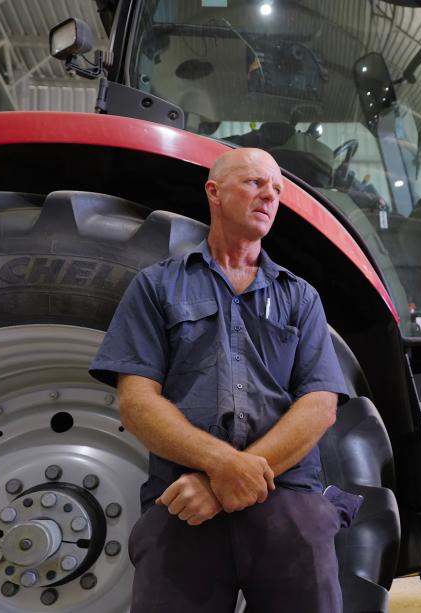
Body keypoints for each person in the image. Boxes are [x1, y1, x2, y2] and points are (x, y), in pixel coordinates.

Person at [90, 147, 349, 612]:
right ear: (214, 191)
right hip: (183, 502)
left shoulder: (301, 297)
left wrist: (225, 481)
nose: (269, 195)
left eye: (276, 189)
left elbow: (319, 405)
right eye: (254, 182)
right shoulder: (156, 286)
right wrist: (219, 465)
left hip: (286, 500)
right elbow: (137, 403)